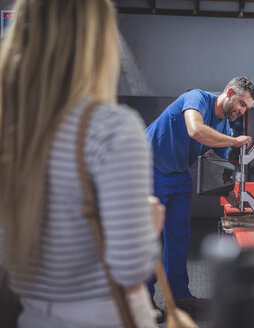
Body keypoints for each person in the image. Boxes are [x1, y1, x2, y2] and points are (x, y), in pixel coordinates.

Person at [0, 0, 163, 327]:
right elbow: (130, 268)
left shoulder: (10, 123)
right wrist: (149, 221)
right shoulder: (111, 128)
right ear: (96, 39)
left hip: (30, 314)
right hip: (102, 315)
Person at [146, 76, 254, 314]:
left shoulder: (223, 126)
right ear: (229, 93)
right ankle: (143, 301)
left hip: (177, 175)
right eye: (241, 103)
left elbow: (219, 168)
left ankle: (178, 296)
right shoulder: (197, 97)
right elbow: (195, 130)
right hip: (147, 168)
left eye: (247, 108)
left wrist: (237, 200)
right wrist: (235, 140)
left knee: (179, 236)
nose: (242, 110)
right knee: (149, 238)